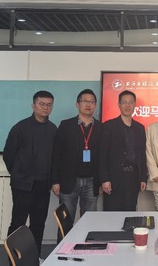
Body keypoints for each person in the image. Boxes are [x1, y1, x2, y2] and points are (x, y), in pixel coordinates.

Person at [3, 90, 57, 258]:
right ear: (33, 106)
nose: (45, 108)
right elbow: (8, 155)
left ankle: (35, 258)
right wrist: (19, 174)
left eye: (49, 105)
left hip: (43, 186)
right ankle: (13, 259)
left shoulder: (53, 129)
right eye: (41, 104)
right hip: (23, 185)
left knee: (38, 224)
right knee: (18, 224)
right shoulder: (20, 128)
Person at [51, 89, 103, 226]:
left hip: (92, 182)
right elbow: (56, 154)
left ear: (95, 105)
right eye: (85, 101)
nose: (88, 104)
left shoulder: (101, 128)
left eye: (92, 102)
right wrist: (55, 181)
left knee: (89, 223)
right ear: (77, 104)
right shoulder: (66, 125)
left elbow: (103, 157)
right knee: (66, 223)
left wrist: (101, 180)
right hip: (68, 181)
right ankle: (66, 242)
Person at [99, 90, 147, 211]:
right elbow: (102, 155)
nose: (127, 105)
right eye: (124, 102)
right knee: (112, 213)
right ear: (119, 105)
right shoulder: (109, 126)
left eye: (130, 102)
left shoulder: (140, 128)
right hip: (113, 179)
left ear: (135, 105)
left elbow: (142, 155)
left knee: (130, 212)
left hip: (133, 178)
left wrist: (143, 178)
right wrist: (104, 179)